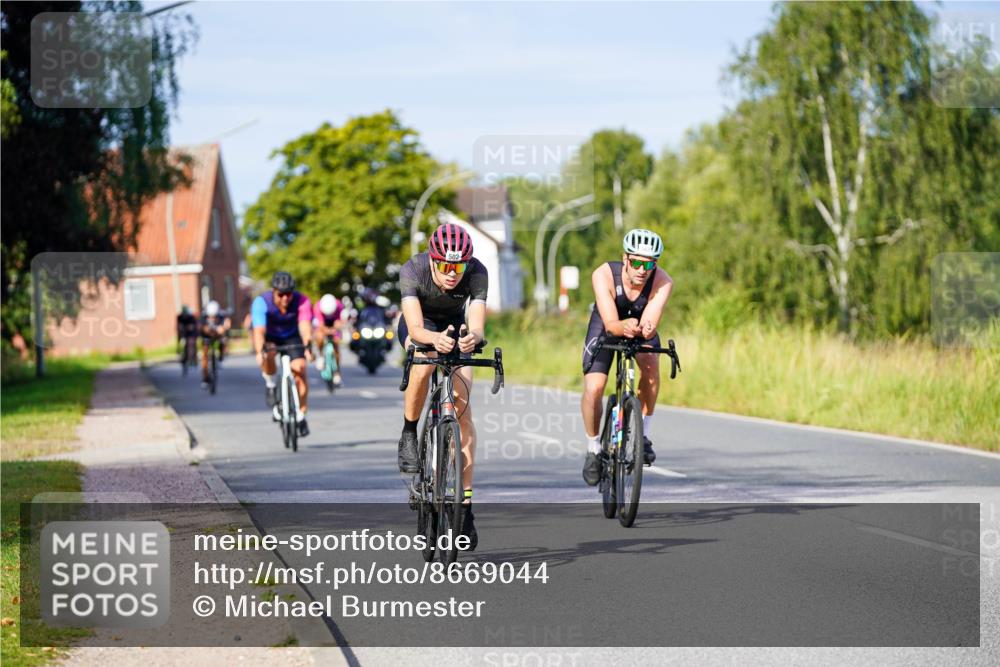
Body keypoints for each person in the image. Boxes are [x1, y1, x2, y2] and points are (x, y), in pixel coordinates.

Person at [397, 223, 487, 548]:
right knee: (423, 365)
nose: (453, 273)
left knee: (463, 405)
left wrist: (470, 337)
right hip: (422, 326)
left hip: (456, 326)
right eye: (446, 266)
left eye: (458, 266)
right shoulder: (413, 270)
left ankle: (465, 504)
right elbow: (415, 326)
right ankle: (409, 432)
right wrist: (434, 340)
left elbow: (476, 325)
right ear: (433, 261)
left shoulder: (478, 273)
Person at [581, 229, 674, 486]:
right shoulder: (603, 275)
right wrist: (622, 326)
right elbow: (611, 324)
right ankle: (593, 448)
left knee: (651, 364)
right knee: (595, 387)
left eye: (650, 263)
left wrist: (643, 329)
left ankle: (643, 434)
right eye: (637, 262)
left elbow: (650, 323)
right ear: (625, 258)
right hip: (607, 324)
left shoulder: (662, 281)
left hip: (638, 325)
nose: (643, 270)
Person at [251, 272, 314, 437]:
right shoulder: (261, 302)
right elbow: (258, 331)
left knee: (300, 369)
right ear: (273, 291)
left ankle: (301, 415)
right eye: (281, 294)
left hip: (292, 337)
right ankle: (271, 383)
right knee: (268, 353)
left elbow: (305, 325)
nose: (285, 298)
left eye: (288, 294)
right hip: (270, 336)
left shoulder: (302, 300)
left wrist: (307, 346)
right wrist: (259, 352)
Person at [313, 293, 344, 387]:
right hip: (323, 324)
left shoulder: (339, 305)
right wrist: (327, 331)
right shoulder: (317, 307)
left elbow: (339, 322)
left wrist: (335, 330)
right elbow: (320, 325)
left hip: (334, 323)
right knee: (319, 337)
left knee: (336, 344)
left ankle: (337, 372)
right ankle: (321, 355)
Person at [199, 300, 231, 388]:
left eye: (214, 317)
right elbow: (201, 328)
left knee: (223, 341)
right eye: (211, 317)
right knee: (204, 355)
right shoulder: (203, 316)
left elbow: (226, 324)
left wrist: (224, 328)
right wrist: (207, 329)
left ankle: (221, 357)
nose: (213, 318)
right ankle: (205, 378)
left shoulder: (221, 315)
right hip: (206, 335)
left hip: (217, 335)